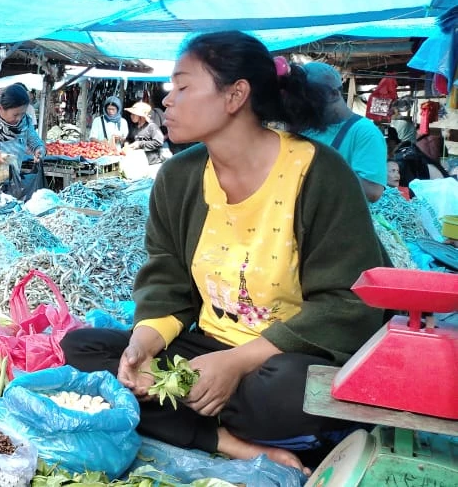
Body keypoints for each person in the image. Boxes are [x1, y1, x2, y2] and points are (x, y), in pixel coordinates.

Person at [61, 31, 386, 473]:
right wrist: (143, 344)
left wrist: (236, 362)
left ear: (235, 95)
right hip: (207, 351)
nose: (166, 100)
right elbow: (166, 279)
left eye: (182, 85)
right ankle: (227, 441)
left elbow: (348, 301)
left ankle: (196, 417)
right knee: (85, 348)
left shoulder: (319, 173)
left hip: (282, 359)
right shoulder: (178, 177)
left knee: (290, 392)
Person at [297, 63, 387, 202]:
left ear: (333, 94)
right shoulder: (307, 127)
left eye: (311, 100)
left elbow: (372, 191)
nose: (305, 106)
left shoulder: (364, 132)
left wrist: (317, 171)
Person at [122, 101, 165, 167]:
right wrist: (126, 144)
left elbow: (159, 142)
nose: (131, 116)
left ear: (141, 116)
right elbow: (129, 138)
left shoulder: (152, 126)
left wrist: (140, 144)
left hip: (152, 163)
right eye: (131, 114)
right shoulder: (134, 127)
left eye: (133, 114)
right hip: (139, 161)